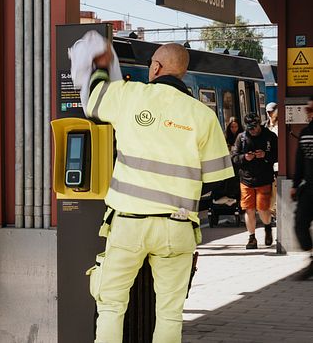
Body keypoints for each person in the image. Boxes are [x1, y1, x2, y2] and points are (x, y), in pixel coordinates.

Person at [72, 33, 234, 343]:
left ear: (156, 68)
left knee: (111, 305)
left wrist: (103, 65)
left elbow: (91, 100)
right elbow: (219, 182)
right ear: (182, 72)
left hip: (129, 224)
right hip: (178, 226)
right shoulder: (203, 115)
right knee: (170, 313)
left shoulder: (129, 95)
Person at [231, 112, 278, 249]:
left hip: (264, 178)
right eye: (250, 128)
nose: (253, 130)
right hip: (246, 179)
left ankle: (267, 227)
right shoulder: (242, 137)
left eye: (255, 127)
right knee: (249, 210)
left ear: (259, 124)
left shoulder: (270, 136)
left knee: (263, 209)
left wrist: (265, 155)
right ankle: (252, 238)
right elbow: (234, 157)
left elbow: (278, 154)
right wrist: (245, 158)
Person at [291, 97, 313, 280]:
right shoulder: (305, 133)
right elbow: (299, 161)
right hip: (309, 188)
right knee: (300, 225)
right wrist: (295, 184)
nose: (308, 113)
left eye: (311, 110)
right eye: (308, 110)